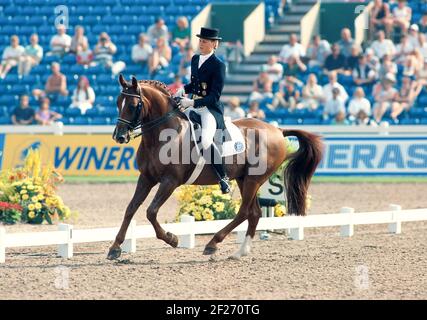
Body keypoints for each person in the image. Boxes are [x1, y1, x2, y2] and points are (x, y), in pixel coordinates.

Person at [173, 27, 230, 193]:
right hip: (192, 104)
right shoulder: (195, 58)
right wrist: (183, 88)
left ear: (214, 44)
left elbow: (214, 96)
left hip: (209, 110)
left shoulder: (219, 65)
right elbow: (195, 84)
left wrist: (191, 103)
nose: (201, 43)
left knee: (205, 141)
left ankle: (223, 176)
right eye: (200, 40)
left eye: (205, 41)